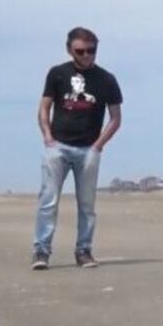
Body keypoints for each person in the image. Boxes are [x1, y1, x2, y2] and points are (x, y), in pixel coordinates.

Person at [32, 27, 122, 270]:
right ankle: (41, 251)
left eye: (91, 51)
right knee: (48, 201)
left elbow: (115, 118)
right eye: (80, 51)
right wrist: (48, 136)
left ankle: (83, 250)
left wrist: (98, 146)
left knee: (87, 204)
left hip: (88, 149)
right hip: (58, 146)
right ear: (70, 50)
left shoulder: (106, 79)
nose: (86, 56)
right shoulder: (58, 74)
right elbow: (44, 107)